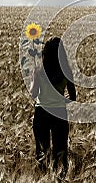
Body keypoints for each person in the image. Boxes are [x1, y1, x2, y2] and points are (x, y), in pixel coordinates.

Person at [31, 37, 76, 176]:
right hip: (59, 113)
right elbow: (73, 97)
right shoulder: (66, 72)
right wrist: (61, 101)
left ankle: (42, 177)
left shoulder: (39, 70)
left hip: (41, 112)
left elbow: (34, 93)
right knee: (60, 152)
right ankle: (60, 177)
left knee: (42, 152)